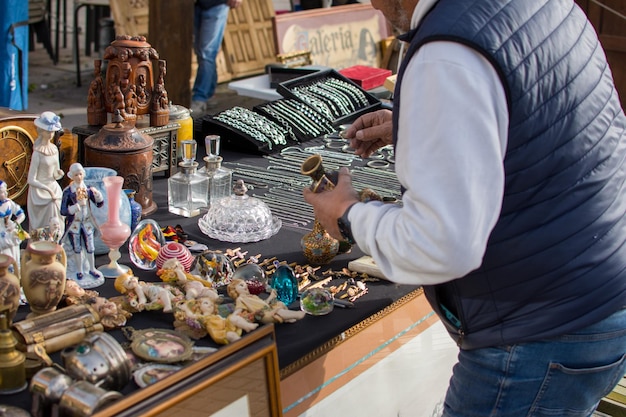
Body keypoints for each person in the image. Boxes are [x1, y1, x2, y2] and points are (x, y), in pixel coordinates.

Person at [302, 1, 626, 416]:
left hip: (541, 328)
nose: (375, 7)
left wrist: (347, 215)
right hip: (596, 294)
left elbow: (441, 244)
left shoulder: (448, 54)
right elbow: (539, 116)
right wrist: (424, 120)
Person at [190, 0, 243, 116]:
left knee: (206, 53)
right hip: (197, 4)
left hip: (217, 4)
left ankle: (200, 98)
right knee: (202, 53)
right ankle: (209, 94)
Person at [60, 163, 104, 281]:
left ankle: (92, 268)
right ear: (72, 176)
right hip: (75, 224)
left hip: (87, 222)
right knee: (77, 247)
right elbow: (63, 211)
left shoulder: (87, 189)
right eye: (76, 175)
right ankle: (79, 270)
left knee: (90, 246)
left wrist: (98, 195)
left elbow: (99, 204)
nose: (79, 177)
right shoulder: (68, 192)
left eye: (80, 174)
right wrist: (74, 208)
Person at [27, 111, 65, 236]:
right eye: (48, 131)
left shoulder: (54, 149)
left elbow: (55, 174)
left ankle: (57, 238)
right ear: (41, 132)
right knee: (51, 202)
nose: (50, 134)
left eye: (52, 132)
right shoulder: (37, 153)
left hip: (52, 186)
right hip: (40, 190)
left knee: (57, 203)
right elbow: (31, 180)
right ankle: (42, 238)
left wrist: (59, 173)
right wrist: (48, 190)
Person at [227, 278, 305, 324]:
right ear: (234, 290)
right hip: (263, 314)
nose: (245, 286)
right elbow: (238, 310)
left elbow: (264, 304)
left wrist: (271, 296)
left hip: (266, 309)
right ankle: (297, 314)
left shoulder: (253, 296)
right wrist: (234, 317)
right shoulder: (240, 299)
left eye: (245, 284)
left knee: (279, 303)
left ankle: (287, 318)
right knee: (277, 311)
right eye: (241, 285)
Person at [0, 180, 26, 271]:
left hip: (10, 230)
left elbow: (21, 215)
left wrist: (15, 224)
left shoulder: (9, 203)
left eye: (5, 191)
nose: (6, 194)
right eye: (2, 192)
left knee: (13, 253)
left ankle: (14, 273)